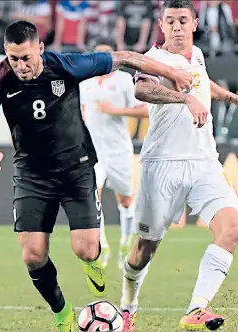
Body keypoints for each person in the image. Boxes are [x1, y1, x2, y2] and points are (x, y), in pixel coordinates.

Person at [0, 20, 201, 332]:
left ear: (40, 48)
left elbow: (126, 57)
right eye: (14, 59)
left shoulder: (67, 66)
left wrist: (172, 73)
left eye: (26, 57)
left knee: (86, 249)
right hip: (31, 173)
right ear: (5, 54)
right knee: (33, 255)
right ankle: (62, 313)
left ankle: (93, 260)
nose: (21, 66)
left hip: (76, 167)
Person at [117, 1, 238, 331]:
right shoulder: (153, 59)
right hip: (162, 165)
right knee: (144, 250)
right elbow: (142, 89)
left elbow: (202, 83)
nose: (177, 27)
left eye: (183, 20)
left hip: (203, 161)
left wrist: (235, 99)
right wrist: (184, 98)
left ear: (195, 23)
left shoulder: (196, 55)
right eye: (171, 21)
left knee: (231, 229)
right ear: (162, 26)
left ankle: (196, 309)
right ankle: (128, 305)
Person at [79, 42, 149, 270]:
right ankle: (101, 246)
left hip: (118, 150)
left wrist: (116, 110)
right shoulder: (85, 83)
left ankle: (124, 242)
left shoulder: (124, 81)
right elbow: (79, 111)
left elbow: (145, 110)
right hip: (93, 152)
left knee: (125, 200)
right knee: (92, 196)